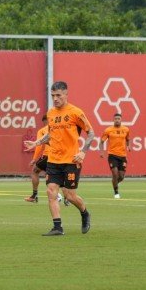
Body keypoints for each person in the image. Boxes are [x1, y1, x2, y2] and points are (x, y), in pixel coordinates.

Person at [24, 81, 95, 236]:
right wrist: (37, 143)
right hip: (53, 160)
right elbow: (51, 134)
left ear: (66, 94)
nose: (55, 99)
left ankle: (85, 213)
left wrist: (83, 152)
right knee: (51, 191)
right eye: (53, 96)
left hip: (71, 160)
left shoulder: (76, 112)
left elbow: (91, 133)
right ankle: (57, 227)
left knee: (70, 195)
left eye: (58, 95)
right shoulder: (50, 113)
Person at [99, 113, 130, 199]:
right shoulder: (108, 130)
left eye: (118, 119)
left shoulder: (126, 129)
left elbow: (128, 139)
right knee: (115, 174)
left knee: (121, 176)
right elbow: (101, 142)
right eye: (115, 119)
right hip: (112, 155)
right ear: (113, 120)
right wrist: (101, 152)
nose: (117, 120)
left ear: (121, 120)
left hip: (123, 156)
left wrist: (129, 145)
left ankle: (115, 182)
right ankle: (116, 192)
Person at [25, 115, 49, 203]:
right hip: (60, 156)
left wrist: (34, 159)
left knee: (35, 171)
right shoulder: (59, 128)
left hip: (48, 155)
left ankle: (34, 195)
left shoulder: (42, 130)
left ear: (45, 121)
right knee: (57, 175)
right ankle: (67, 198)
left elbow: (39, 146)